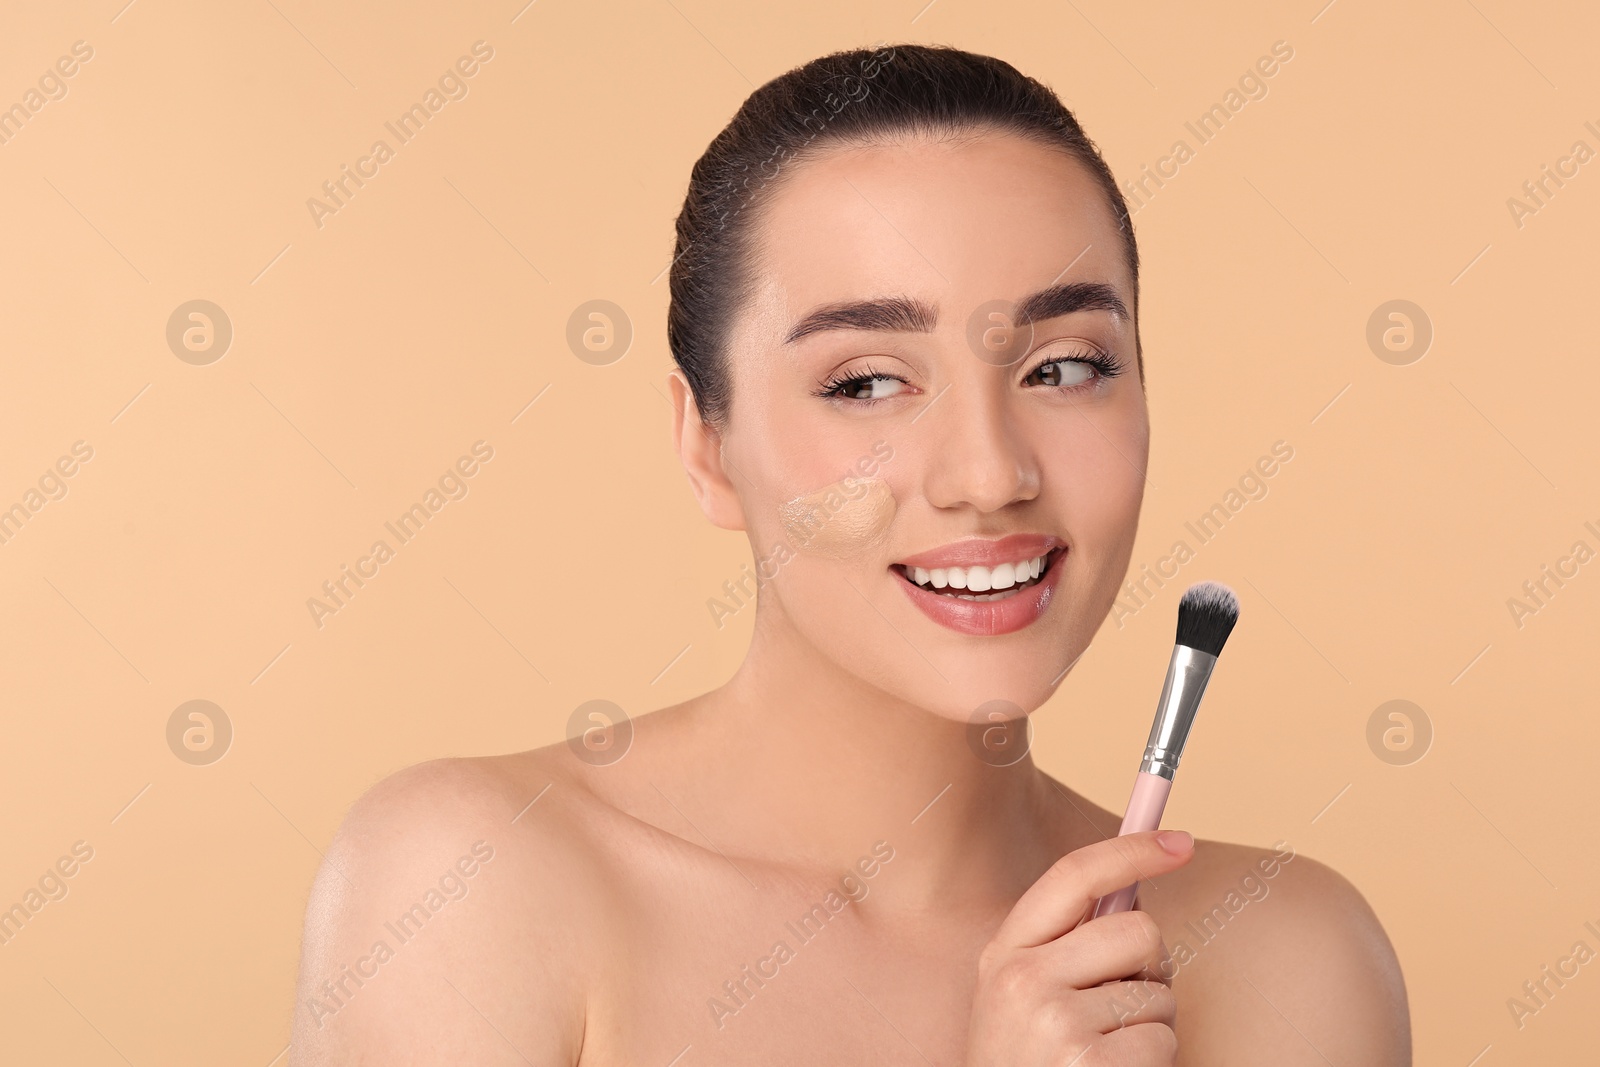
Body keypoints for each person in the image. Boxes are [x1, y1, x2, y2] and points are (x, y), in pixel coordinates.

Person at [290, 43, 1410, 1065]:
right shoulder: (470, 886)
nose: (988, 473)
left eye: (1064, 365)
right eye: (866, 382)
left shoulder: (1283, 957)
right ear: (707, 443)